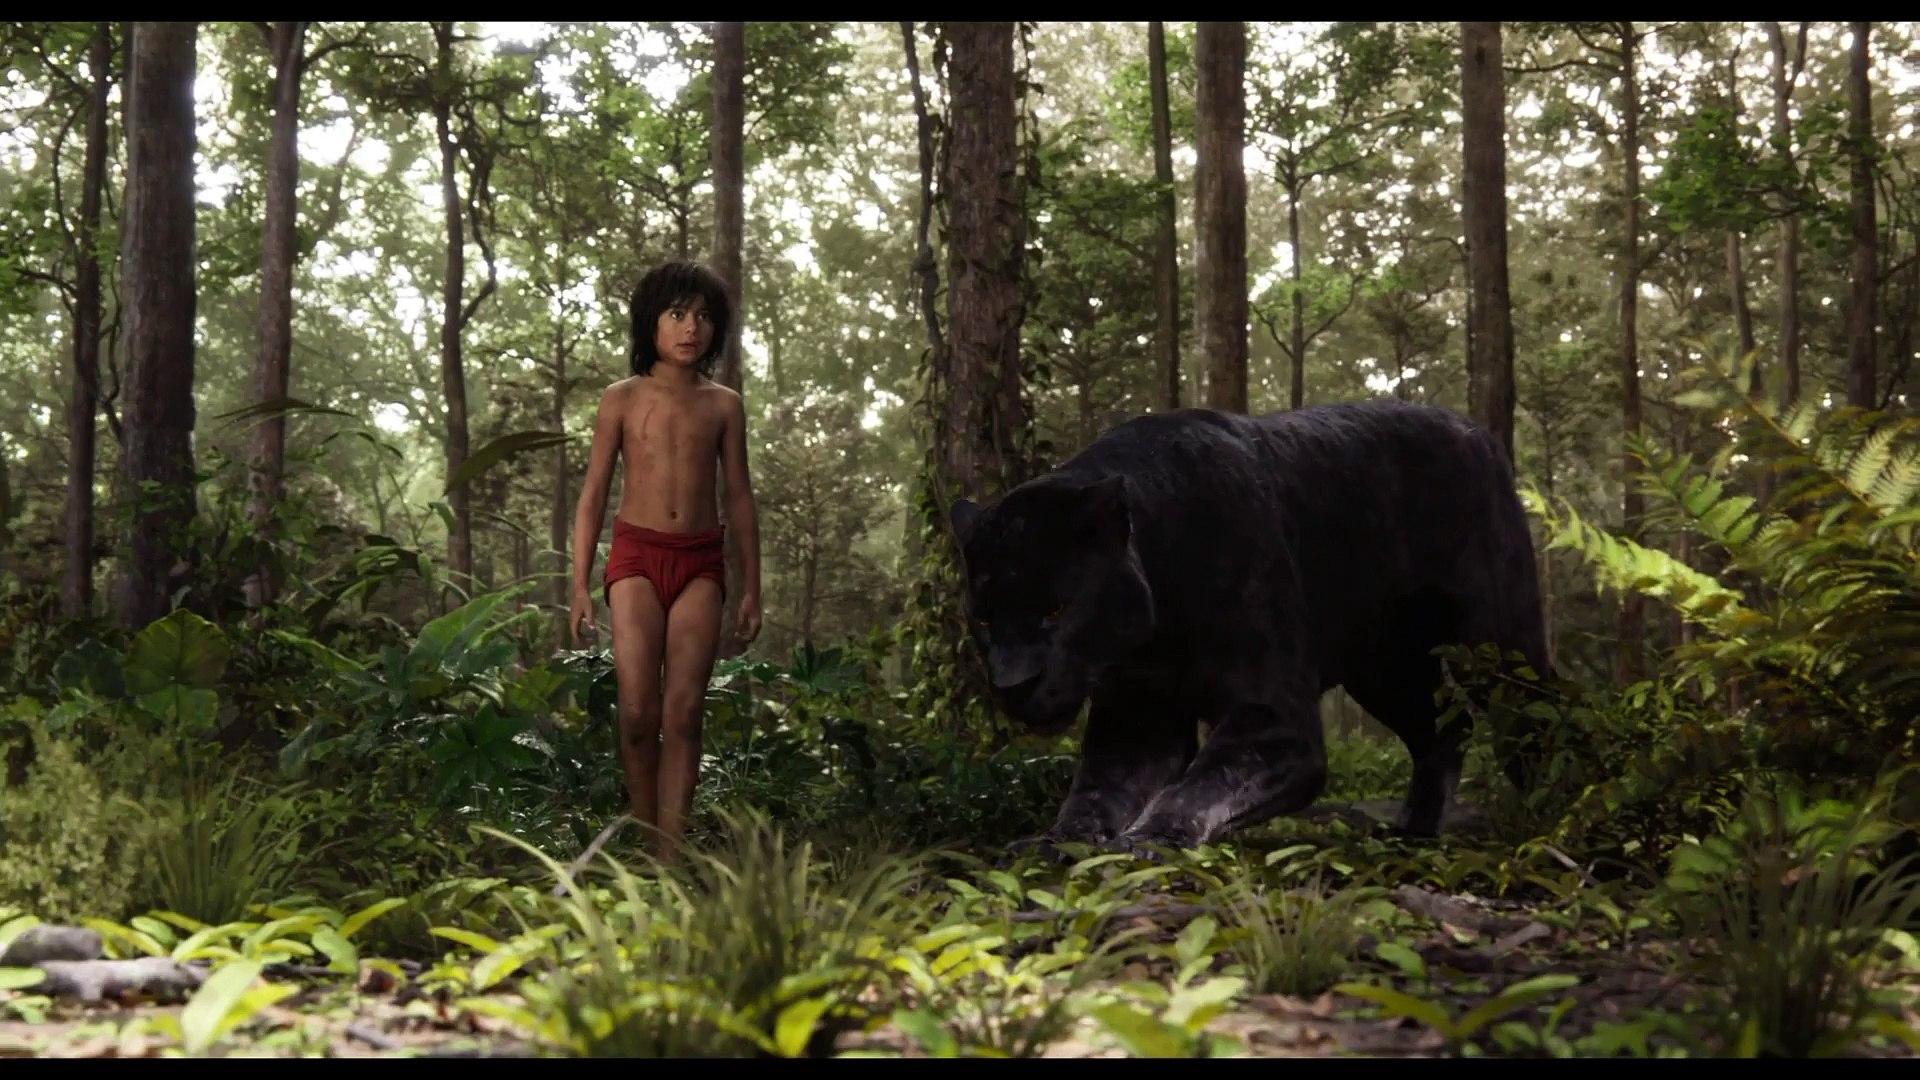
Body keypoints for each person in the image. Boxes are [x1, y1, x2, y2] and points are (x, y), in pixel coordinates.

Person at [569, 260, 762, 864]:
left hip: (700, 561)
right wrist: (579, 585)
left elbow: (739, 496)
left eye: (703, 316)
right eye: (677, 314)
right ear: (650, 324)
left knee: (684, 712)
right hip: (636, 558)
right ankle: (645, 839)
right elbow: (593, 494)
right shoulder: (621, 399)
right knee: (636, 711)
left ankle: (670, 861)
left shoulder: (724, 405)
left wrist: (753, 587)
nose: (691, 328)